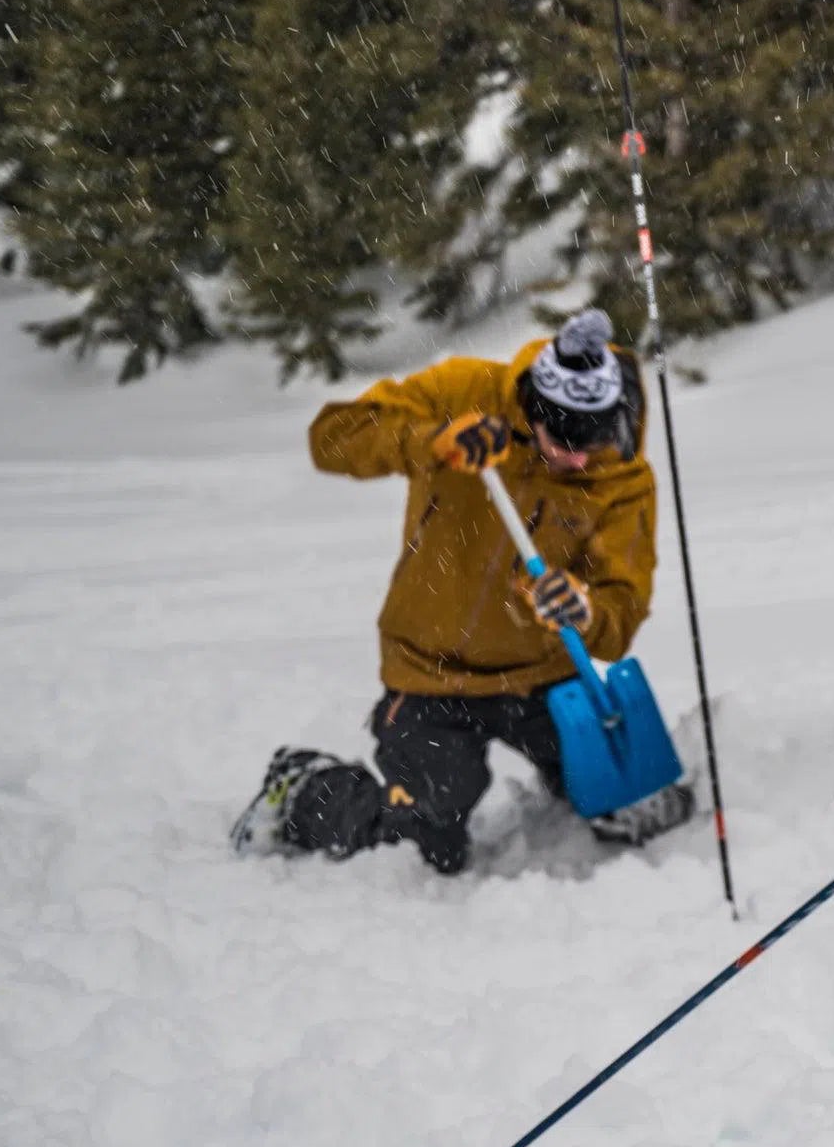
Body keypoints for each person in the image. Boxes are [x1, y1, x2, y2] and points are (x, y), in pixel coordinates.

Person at [238, 309, 691, 873]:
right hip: (433, 671)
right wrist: (431, 441)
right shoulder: (464, 391)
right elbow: (332, 439)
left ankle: (580, 784)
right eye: (563, 440)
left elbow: (621, 607)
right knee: (427, 842)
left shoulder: (620, 475)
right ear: (533, 411)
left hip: (545, 677)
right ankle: (306, 787)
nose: (576, 457)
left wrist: (585, 609)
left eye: (594, 440)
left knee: (644, 811)